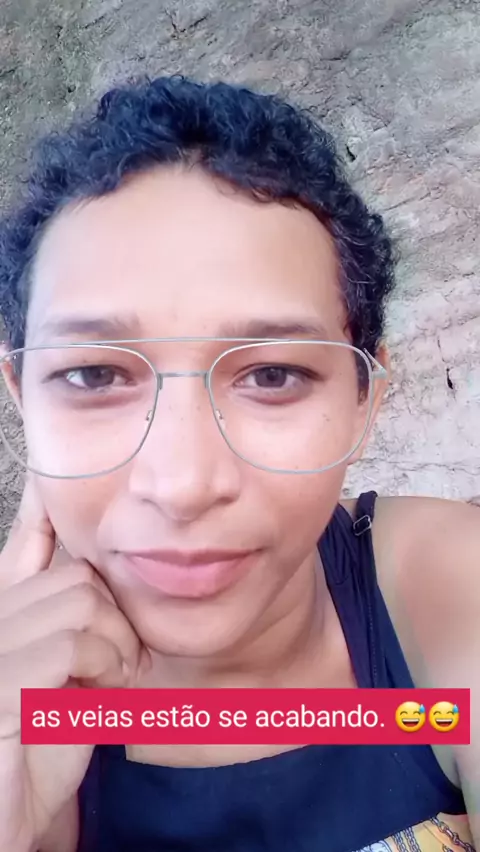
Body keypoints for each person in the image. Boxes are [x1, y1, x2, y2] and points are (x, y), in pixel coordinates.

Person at [0, 75, 478, 852]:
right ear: (22, 394)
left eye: (273, 375)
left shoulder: (448, 591)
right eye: (94, 375)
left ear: (365, 399)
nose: (184, 486)